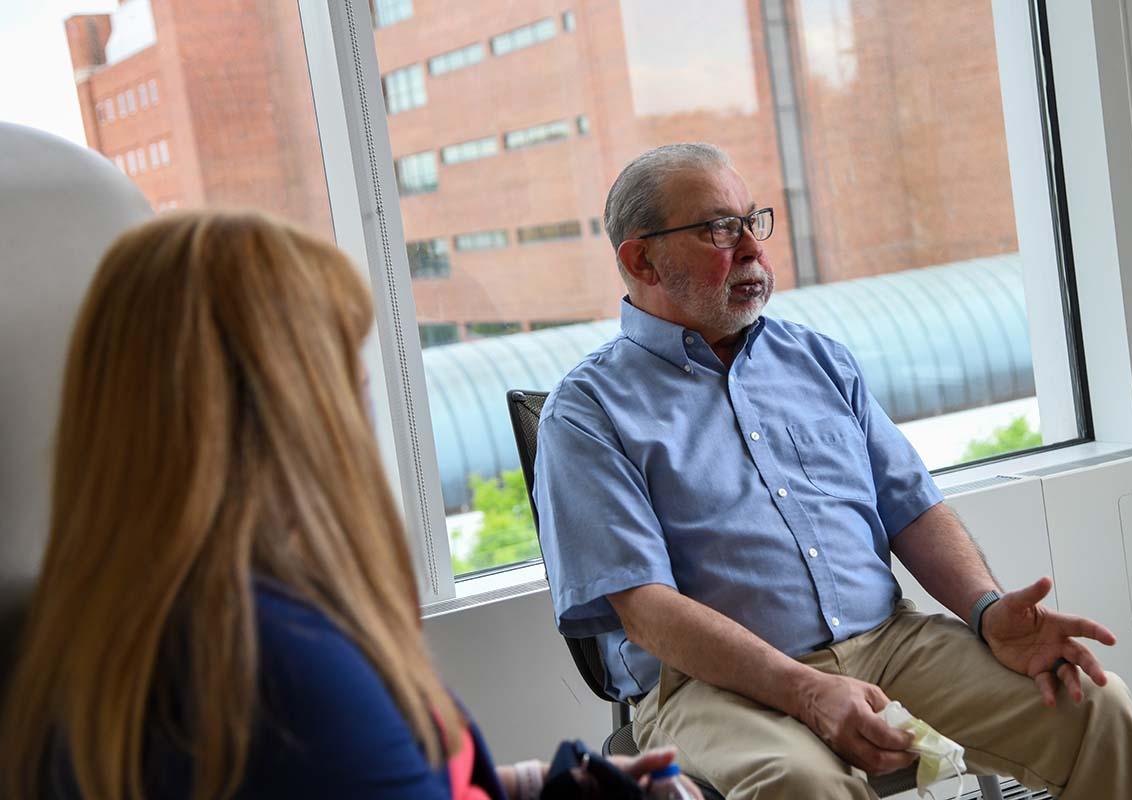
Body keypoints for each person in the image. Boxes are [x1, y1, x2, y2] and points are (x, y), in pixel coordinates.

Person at [533, 143, 1132, 800]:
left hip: (889, 643)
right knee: (801, 783)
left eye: (753, 221)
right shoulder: (586, 413)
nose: (751, 247)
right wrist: (806, 690)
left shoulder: (817, 360)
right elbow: (647, 613)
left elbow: (912, 508)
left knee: (1092, 704)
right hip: (711, 687)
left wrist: (985, 612)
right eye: (719, 229)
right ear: (642, 259)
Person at [0, 210, 698, 800]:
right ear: (286, 404)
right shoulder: (281, 668)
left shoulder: (124, 614)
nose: (363, 387)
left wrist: (535, 786)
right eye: (340, 359)